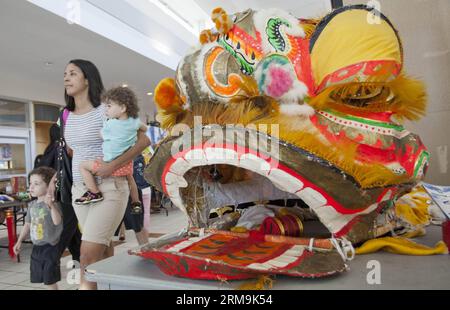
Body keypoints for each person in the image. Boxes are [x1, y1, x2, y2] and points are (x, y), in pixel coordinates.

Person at [47, 59, 150, 290]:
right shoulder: (64, 115)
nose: (66, 78)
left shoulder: (105, 110)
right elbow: (70, 153)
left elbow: (144, 139)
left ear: (87, 79)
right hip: (80, 192)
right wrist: (54, 180)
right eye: (65, 73)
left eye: (73, 73)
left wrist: (111, 166)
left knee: (87, 256)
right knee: (102, 251)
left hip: (110, 186)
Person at [74, 86, 146, 216]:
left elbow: (101, 135)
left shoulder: (111, 124)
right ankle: (136, 202)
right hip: (125, 165)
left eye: (109, 106)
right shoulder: (134, 122)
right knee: (131, 179)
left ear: (123, 108)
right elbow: (144, 129)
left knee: (83, 166)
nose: (106, 109)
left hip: (108, 164)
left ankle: (94, 191)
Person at [34, 123, 82, 265]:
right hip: (64, 196)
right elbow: (63, 174)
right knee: (66, 229)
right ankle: (50, 262)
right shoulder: (61, 150)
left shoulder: (48, 150)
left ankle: (78, 259)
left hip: (52, 197)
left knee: (72, 231)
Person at [14, 167, 63, 290]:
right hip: (36, 247)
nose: (31, 187)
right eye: (30, 183)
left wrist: (51, 205)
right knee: (42, 278)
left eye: (36, 184)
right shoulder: (32, 205)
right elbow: (27, 224)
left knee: (49, 280)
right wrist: (19, 241)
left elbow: (57, 222)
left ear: (48, 186)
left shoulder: (53, 204)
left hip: (50, 248)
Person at [116, 154, 150, 246]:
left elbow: (130, 179)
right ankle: (145, 247)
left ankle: (145, 248)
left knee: (138, 226)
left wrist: (136, 202)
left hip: (130, 194)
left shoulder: (121, 157)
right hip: (121, 194)